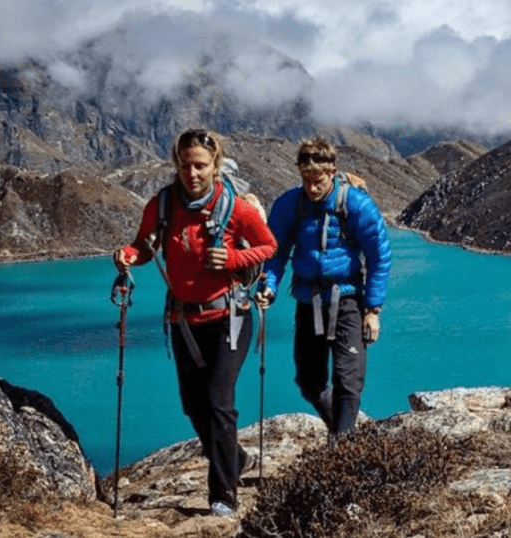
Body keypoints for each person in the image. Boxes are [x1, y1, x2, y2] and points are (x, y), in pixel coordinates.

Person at [112, 129, 277, 518]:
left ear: (215, 166)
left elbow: (268, 245)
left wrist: (233, 261)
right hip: (183, 319)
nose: (192, 173)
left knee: (219, 403)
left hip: (229, 319)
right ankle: (235, 458)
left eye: (201, 165)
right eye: (185, 165)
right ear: (177, 164)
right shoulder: (163, 205)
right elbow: (144, 246)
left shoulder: (237, 208)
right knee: (193, 405)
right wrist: (126, 256)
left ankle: (223, 495)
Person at [255, 136, 392, 438]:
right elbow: (275, 252)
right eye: (306, 179)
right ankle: (346, 435)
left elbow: (379, 255)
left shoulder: (356, 205)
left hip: (348, 300)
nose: (312, 187)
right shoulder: (289, 205)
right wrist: (269, 287)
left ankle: (341, 446)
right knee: (308, 382)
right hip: (308, 300)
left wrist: (373, 309)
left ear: (331, 172)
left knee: (348, 379)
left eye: (318, 180)